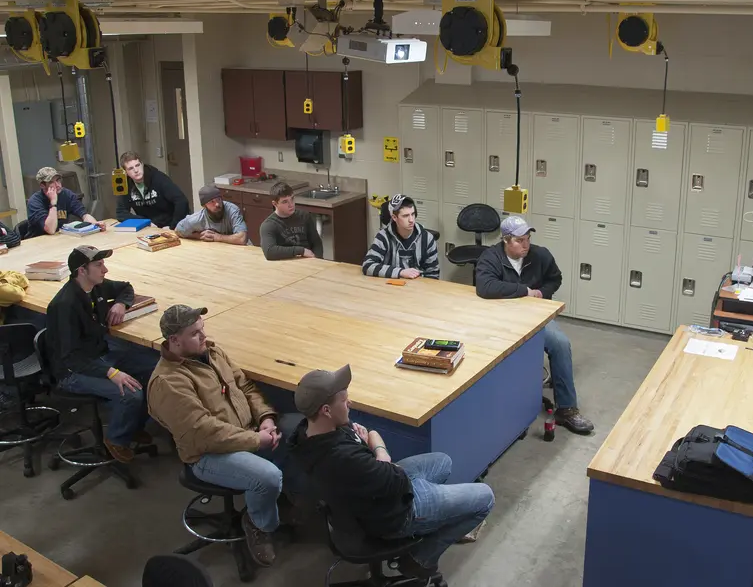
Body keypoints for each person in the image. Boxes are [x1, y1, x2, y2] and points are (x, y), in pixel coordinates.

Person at [289, 365, 493, 580]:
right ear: (326, 411)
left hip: (370, 493)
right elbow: (394, 474)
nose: (350, 403)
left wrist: (377, 453)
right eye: (344, 401)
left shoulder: (307, 433)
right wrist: (379, 450)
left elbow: (376, 453)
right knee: (485, 498)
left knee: (443, 462)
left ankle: (434, 514)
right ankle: (420, 558)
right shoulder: (342, 459)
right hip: (392, 514)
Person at [147, 305, 305, 567]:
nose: (203, 336)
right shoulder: (168, 382)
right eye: (195, 332)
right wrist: (257, 440)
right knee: (267, 477)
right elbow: (205, 433)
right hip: (208, 454)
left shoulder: (212, 352)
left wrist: (265, 419)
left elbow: (245, 387)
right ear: (174, 341)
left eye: (202, 328)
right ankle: (257, 524)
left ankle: (272, 501)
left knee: (298, 427)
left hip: (245, 433)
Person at [475, 215, 595, 435]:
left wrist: (542, 293)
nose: (526, 244)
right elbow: (485, 286)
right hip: (502, 318)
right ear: (506, 240)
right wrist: (524, 291)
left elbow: (555, 278)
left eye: (528, 238)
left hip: (534, 316)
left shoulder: (540, 255)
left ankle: (567, 409)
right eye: (520, 240)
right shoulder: (490, 257)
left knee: (559, 343)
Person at [45, 245, 158, 462]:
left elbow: (126, 288)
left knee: (155, 368)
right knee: (132, 393)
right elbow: (70, 358)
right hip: (72, 371)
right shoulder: (65, 305)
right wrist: (111, 373)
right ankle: (116, 439)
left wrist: (120, 305)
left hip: (99, 355)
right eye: (98, 265)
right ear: (82, 270)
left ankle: (131, 427)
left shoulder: (95, 287)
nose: (105, 270)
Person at [362, 194, 439, 279]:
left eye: (413, 214)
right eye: (405, 216)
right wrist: (400, 272)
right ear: (394, 217)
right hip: (391, 287)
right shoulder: (383, 237)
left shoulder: (427, 238)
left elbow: (433, 274)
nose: (411, 220)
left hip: (418, 287)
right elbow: (368, 265)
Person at [115, 151, 190, 229]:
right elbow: (121, 213)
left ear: (142, 164)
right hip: (148, 227)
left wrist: (173, 227)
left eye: (137, 165)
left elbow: (181, 201)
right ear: (126, 172)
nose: (136, 170)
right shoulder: (126, 185)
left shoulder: (158, 178)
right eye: (131, 168)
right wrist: (146, 222)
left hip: (169, 225)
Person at [26, 167, 104, 237]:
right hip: (39, 242)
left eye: (58, 180)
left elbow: (84, 215)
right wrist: (53, 202)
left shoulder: (66, 194)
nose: (57, 185)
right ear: (42, 185)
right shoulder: (35, 202)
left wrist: (95, 224)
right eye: (51, 182)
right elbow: (50, 230)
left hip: (60, 238)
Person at [259, 182, 323, 260]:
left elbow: (317, 243)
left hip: (309, 261)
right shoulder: (269, 225)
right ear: (275, 204)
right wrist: (301, 251)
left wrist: (317, 260)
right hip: (286, 264)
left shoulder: (304, 216)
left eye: (292, 199)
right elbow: (269, 252)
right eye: (285, 202)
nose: (291, 204)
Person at [175, 184, 248, 245]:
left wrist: (218, 237)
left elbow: (242, 238)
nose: (217, 204)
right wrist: (199, 236)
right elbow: (178, 230)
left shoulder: (232, 210)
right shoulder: (198, 218)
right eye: (212, 202)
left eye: (219, 199)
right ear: (204, 206)